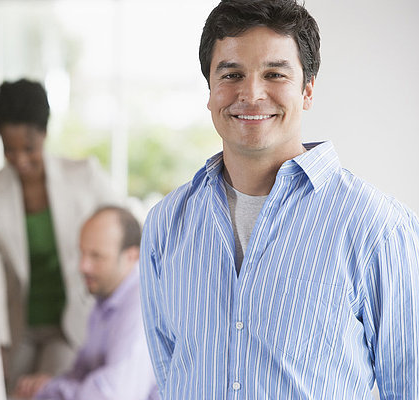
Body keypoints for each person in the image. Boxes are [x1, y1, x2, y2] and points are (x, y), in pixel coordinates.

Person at [139, 0, 419, 398]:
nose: (251, 94)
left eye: (274, 74)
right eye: (231, 74)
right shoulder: (166, 223)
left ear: (307, 90)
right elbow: (170, 376)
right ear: (210, 92)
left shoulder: (378, 228)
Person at [0, 79, 120, 387]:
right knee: (6, 388)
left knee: (48, 390)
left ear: (45, 134)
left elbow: (127, 232)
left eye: (29, 148)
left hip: (71, 323)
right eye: (9, 150)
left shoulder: (85, 176)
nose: (20, 160)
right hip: (19, 325)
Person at [14, 206, 158, 400]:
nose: (83, 266)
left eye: (96, 256)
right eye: (82, 253)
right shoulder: (106, 297)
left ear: (132, 256)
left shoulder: (141, 307)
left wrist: (52, 390)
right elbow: (84, 371)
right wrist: (48, 386)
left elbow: (113, 395)